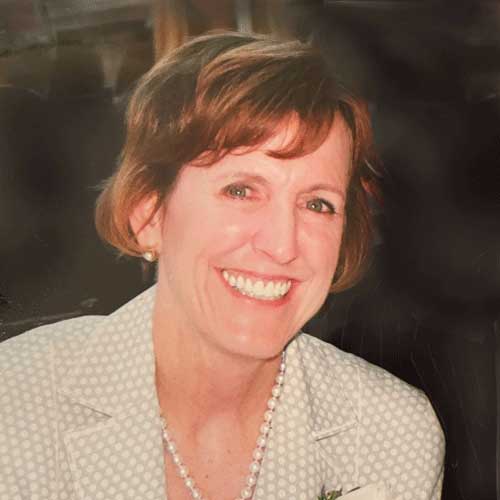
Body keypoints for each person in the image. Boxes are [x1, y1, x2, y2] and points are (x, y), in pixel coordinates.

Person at [0, 32, 444, 500]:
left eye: (317, 204)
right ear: (149, 215)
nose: (282, 245)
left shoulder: (393, 433)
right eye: (241, 191)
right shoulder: (15, 406)